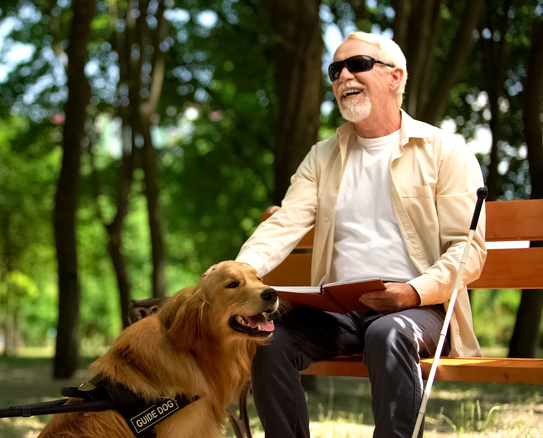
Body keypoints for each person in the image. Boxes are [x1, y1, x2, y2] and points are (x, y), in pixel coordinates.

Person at [204, 31, 487, 438]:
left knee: (387, 332)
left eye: (357, 64)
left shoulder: (445, 150)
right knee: (270, 339)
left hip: (420, 309)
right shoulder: (322, 156)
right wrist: (241, 268)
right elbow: (285, 223)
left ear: (395, 76)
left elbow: (468, 250)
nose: (342, 76)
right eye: (335, 70)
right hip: (338, 311)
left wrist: (412, 292)